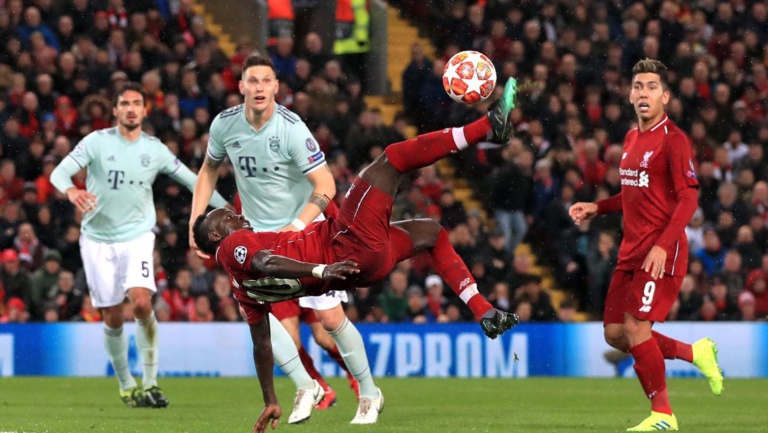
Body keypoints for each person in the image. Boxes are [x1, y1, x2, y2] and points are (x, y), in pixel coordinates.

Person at [192, 78, 521, 433]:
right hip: (345, 246)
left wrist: (270, 398)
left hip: (364, 268)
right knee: (392, 158)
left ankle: (484, 311)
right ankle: (487, 126)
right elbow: (265, 262)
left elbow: (262, 346)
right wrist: (320, 270)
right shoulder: (232, 246)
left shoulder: (244, 294)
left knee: (431, 233)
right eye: (225, 216)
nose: (235, 213)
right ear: (216, 235)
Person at [188, 54, 367, 423]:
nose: (258, 87)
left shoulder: (291, 128)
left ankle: (367, 390)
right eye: (251, 81)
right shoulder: (224, 126)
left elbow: (327, 185)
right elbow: (207, 171)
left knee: (329, 323)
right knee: (265, 320)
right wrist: (196, 222)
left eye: (265, 81)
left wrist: (298, 224)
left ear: (275, 87)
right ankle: (309, 385)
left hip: (306, 231)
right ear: (240, 86)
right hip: (256, 239)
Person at [50, 82, 228, 408]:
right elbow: (59, 174)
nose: (131, 109)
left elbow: (193, 180)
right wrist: (72, 191)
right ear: (115, 110)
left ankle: (150, 382)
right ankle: (125, 383)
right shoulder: (96, 142)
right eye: (124, 104)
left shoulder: (155, 149)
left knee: (143, 304)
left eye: (136, 103)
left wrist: (228, 209)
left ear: (145, 110)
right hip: (97, 241)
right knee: (113, 316)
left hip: (137, 237)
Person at [568, 59, 724, 432]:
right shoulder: (631, 138)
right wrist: (598, 207)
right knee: (615, 333)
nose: (643, 92)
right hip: (631, 250)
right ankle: (694, 352)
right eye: (638, 86)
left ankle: (663, 415)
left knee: (637, 328)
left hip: (661, 251)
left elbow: (688, 199)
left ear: (665, 97)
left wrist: (662, 245)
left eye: (652, 87)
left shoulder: (675, 140)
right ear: (629, 94)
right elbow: (633, 192)